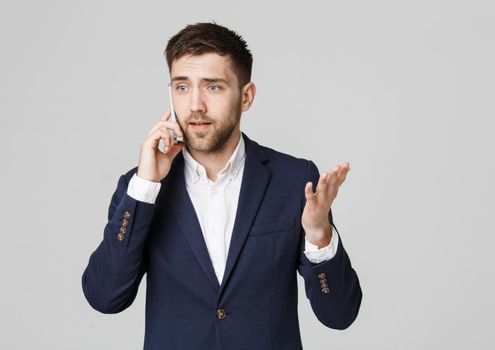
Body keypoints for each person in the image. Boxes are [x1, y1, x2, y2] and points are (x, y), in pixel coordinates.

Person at [82, 22, 362, 350]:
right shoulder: (140, 189)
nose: (195, 105)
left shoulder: (294, 180)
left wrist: (319, 235)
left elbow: (339, 315)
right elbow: (105, 296)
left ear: (246, 96)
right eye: (182, 87)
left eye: (213, 87)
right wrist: (146, 187)